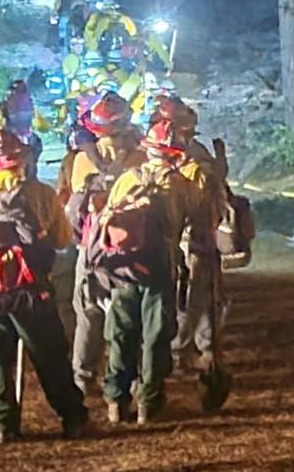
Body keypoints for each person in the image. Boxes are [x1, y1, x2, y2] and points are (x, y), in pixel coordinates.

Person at [0, 130, 91, 443]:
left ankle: (3, 424)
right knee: (50, 356)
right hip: (32, 292)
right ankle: (72, 417)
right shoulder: (41, 195)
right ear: (23, 160)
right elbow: (61, 240)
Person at [83, 116, 215, 424]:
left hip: (122, 270)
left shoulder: (128, 179)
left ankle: (116, 401)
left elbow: (105, 221)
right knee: (156, 337)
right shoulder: (182, 185)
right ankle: (148, 403)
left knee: (120, 334)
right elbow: (200, 227)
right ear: (176, 153)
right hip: (161, 270)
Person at [152, 93, 232, 411]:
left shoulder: (183, 161)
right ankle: (191, 352)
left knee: (191, 301)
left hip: (184, 246)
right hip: (192, 245)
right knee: (196, 301)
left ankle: (186, 352)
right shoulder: (191, 160)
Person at [65, 92, 145, 397]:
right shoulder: (140, 160)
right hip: (129, 250)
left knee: (87, 312)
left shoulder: (82, 161)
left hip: (90, 250)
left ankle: (82, 378)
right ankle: (127, 380)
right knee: (127, 315)